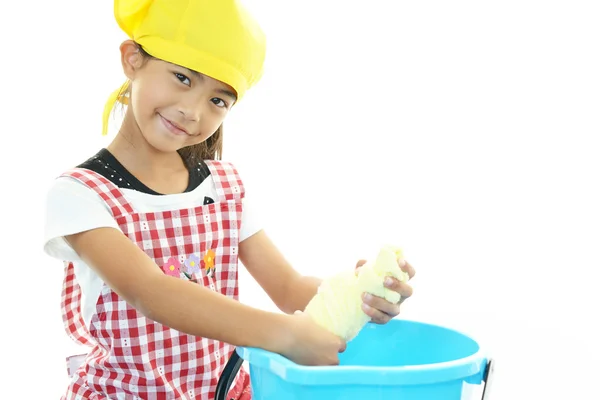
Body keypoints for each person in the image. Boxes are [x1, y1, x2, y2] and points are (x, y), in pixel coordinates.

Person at [42, 0, 416, 398]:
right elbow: (150, 292)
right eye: (182, 78)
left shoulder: (224, 189)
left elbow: (288, 288)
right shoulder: (81, 193)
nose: (192, 111)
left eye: (217, 100)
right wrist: (285, 334)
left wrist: (358, 297)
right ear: (132, 59)